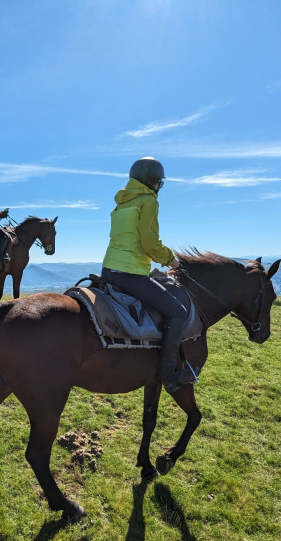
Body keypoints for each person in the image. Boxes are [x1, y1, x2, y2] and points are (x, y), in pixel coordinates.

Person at [101, 157, 194, 394]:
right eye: (159, 183)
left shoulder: (121, 202)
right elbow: (149, 242)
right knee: (178, 312)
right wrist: (170, 258)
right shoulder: (148, 201)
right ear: (152, 182)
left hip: (109, 269)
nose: (159, 188)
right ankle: (168, 374)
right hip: (130, 272)